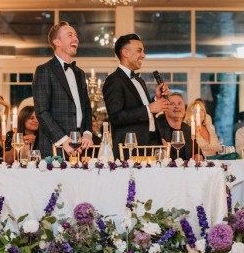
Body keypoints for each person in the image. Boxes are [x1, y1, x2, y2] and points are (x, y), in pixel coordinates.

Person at [32, 21, 93, 158]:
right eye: (70, 35)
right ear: (57, 42)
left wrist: (88, 134)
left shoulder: (80, 73)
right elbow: (42, 112)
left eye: (76, 35)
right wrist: (64, 140)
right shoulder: (44, 70)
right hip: (54, 146)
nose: (76, 38)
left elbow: (87, 108)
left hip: (82, 146)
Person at [103, 33, 169, 158]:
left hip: (151, 143)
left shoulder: (140, 81)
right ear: (125, 53)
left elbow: (142, 110)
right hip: (130, 147)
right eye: (139, 51)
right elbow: (116, 117)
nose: (143, 55)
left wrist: (156, 100)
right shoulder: (114, 80)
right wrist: (149, 108)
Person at [155, 93, 198, 160]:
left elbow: (197, 151)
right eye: (172, 104)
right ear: (165, 109)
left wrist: (198, 155)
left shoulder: (188, 129)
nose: (176, 106)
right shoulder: (157, 127)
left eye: (179, 103)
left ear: (184, 110)